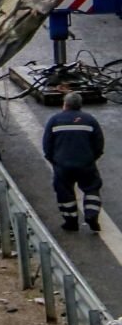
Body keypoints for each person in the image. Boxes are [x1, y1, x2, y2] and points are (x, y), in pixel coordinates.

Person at [43, 92, 105, 232]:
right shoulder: (90, 120)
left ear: (65, 105)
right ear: (80, 105)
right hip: (86, 164)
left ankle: (71, 222)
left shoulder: (55, 120)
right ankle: (91, 215)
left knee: (64, 192)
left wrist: (54, 160)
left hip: (62, 165)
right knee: (92, 188)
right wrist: (92, 158)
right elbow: (99, 143)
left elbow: (47, 144)